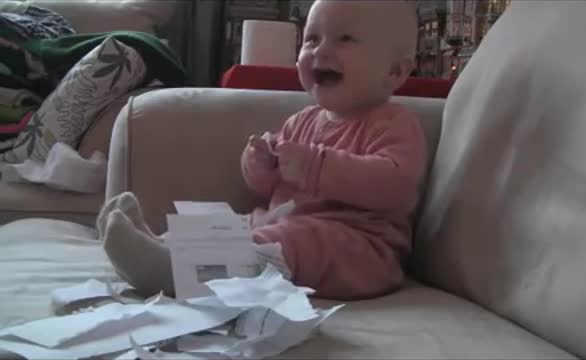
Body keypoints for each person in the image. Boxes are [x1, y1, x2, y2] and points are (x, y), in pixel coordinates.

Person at [98, 0, 427, 301]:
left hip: (360, 251)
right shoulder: (302, 121)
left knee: (290, 236)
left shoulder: (394, 123)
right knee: (235, 224)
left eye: (345, 39)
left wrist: (314, 166)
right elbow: (266, 189)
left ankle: (180, 273)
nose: (320, 50)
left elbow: (395, 186)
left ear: (394, 71)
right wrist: (259, 166)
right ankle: (162, 246)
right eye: (311, 39)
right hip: (284, 227)